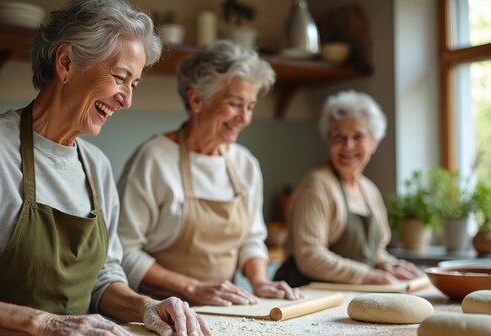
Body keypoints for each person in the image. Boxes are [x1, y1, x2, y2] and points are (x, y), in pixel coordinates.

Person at [0, 0, 210, 336]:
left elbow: (104, 278)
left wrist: (144, 306)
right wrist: (45, 324)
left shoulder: (96, 166)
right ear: (66, 63)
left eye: (135, 84)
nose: (127, 100)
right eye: (120, 77)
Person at [117, 40, 303, 307]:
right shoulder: (154, 159)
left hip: (224, 310)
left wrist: (260, 282)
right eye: (235, 103)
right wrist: (193, 288)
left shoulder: (244, 164)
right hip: (160, 313)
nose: (245, 118)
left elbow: (252, 239)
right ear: (196, 99)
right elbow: (123, 251)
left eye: (250, 106)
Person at [274, 90, 424, 287]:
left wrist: (390, 265)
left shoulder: (369, 190)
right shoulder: (316, 185)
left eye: (358, 136)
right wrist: (366, 275)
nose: (348, 146)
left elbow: (373, 252)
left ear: (373, 143)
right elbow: (310, 256)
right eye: (339, 136)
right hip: (306, 292)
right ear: (328, 140)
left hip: (350, 291)